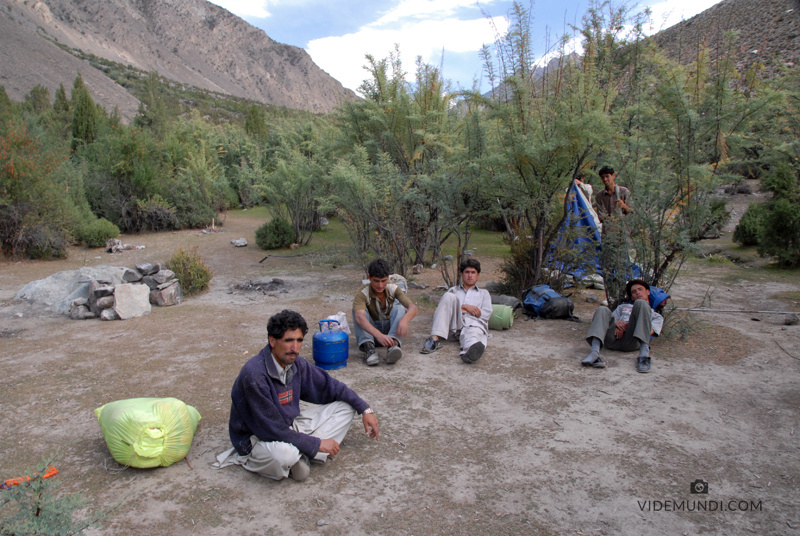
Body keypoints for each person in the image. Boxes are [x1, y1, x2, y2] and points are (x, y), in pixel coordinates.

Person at [213, 310, 379, 482]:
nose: (295, 348)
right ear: (272, 341)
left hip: (288, 426)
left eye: (299, 340)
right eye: (288, 341)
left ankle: (304, 455)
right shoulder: (254, 375)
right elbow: (270, 429)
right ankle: (302, 454)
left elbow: (329, 386)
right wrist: (315, 444)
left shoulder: (295, 362)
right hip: (258, 437)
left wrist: (365, 409)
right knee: (284, 455)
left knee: (346, 407)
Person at [581, 279, 663, 373]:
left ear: (648, 292)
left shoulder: (656, 316)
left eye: (640, 289)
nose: (638, 292)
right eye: (634, 291)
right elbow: (607, 321)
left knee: (641, 303)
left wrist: (627, 326)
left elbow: (649, 332)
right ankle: (594, 354)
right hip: (612, 339)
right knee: (602, 309)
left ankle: (644, 357)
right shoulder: (622, 307)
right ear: (631, 297)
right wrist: (617, 323)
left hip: (632, 341)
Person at [420, 258, 492, 364]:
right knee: (448, 296)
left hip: (472, 324)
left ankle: (469, 353)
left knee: (472, 336)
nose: (470, 276)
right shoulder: (453, 291)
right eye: (467, 272)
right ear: (462, 274)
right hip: (453, 325)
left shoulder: (483, 293)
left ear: (478, 275)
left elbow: (486, 314)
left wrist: (472, 311)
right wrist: (467, 307)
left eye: (473, 273)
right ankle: (434, 339)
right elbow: (444, 309)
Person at [352, 258, 418, 366]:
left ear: (388, 278)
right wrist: (378, 335)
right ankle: (370, 349)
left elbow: (413, 307)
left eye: (384, 281)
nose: (380, 285)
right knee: (358, 313)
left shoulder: (393, 288)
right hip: (371, 334)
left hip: (389, 334)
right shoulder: (362, 292)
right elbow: (359, 317)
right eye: (376, 281)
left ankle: (393, 346)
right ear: (369, 278)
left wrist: (405, 320)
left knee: (400, 308)